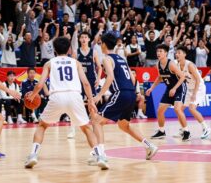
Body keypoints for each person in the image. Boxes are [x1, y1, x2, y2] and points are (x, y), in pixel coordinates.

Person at [24, 37, 108, 170]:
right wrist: (91, 101)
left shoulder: (49, 63)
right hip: (74, 96)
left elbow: (40, 84)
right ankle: (100, 156)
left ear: (54, 50)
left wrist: (33, 95)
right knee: (86, 128)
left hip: (57, 96)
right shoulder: (76, 62)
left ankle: (33, 155)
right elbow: (86, 83)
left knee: (42, 126)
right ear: (69, 49)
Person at [89, 34, 157, 165]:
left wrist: (99, 95)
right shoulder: (121, 59)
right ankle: (149, 146)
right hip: (130, 93)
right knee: (124, 125)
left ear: (103, 44)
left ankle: (101, 155)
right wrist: (134, 92)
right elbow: (132, 78)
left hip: (121, 93)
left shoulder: (107, 59)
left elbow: (110, 77)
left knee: (96, 121)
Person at [146, 44, 189, 141]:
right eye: (158, 51)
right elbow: (160, 77)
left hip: (179, 88)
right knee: (160, 110)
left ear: (166, 53)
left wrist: (174, 89)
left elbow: (182, 77)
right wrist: (151, 88)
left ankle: (186, 131)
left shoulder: (171, 64)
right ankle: (161, 131)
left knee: (177, 109)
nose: (158, 53)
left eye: (161, 51)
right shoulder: (158, 64)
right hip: (169, 88)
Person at [175, 46, 211, 139]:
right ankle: (184, 130)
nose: (177, 54)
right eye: (176, 53)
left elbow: (198, 80)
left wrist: (194, 94)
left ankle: (206, 128)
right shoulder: (177, 65)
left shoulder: (189, 65)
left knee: (191, 108)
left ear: (184, 54)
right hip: (188, 89)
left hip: (198, 88)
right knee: (179, 109)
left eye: (179, 53)